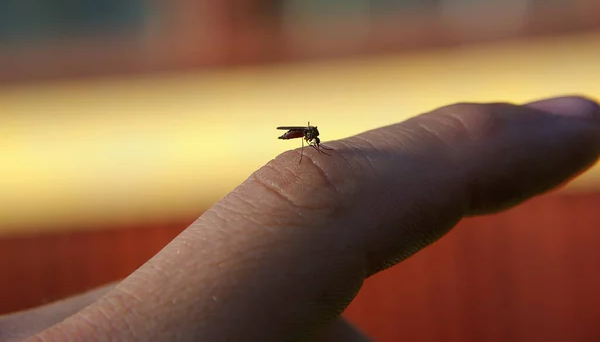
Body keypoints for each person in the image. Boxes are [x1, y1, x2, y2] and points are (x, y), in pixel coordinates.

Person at [1, 96, 599, 342]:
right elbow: (310, 154)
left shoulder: (311, 149)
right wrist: (313, 169)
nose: (308, 141)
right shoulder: (309, 156)